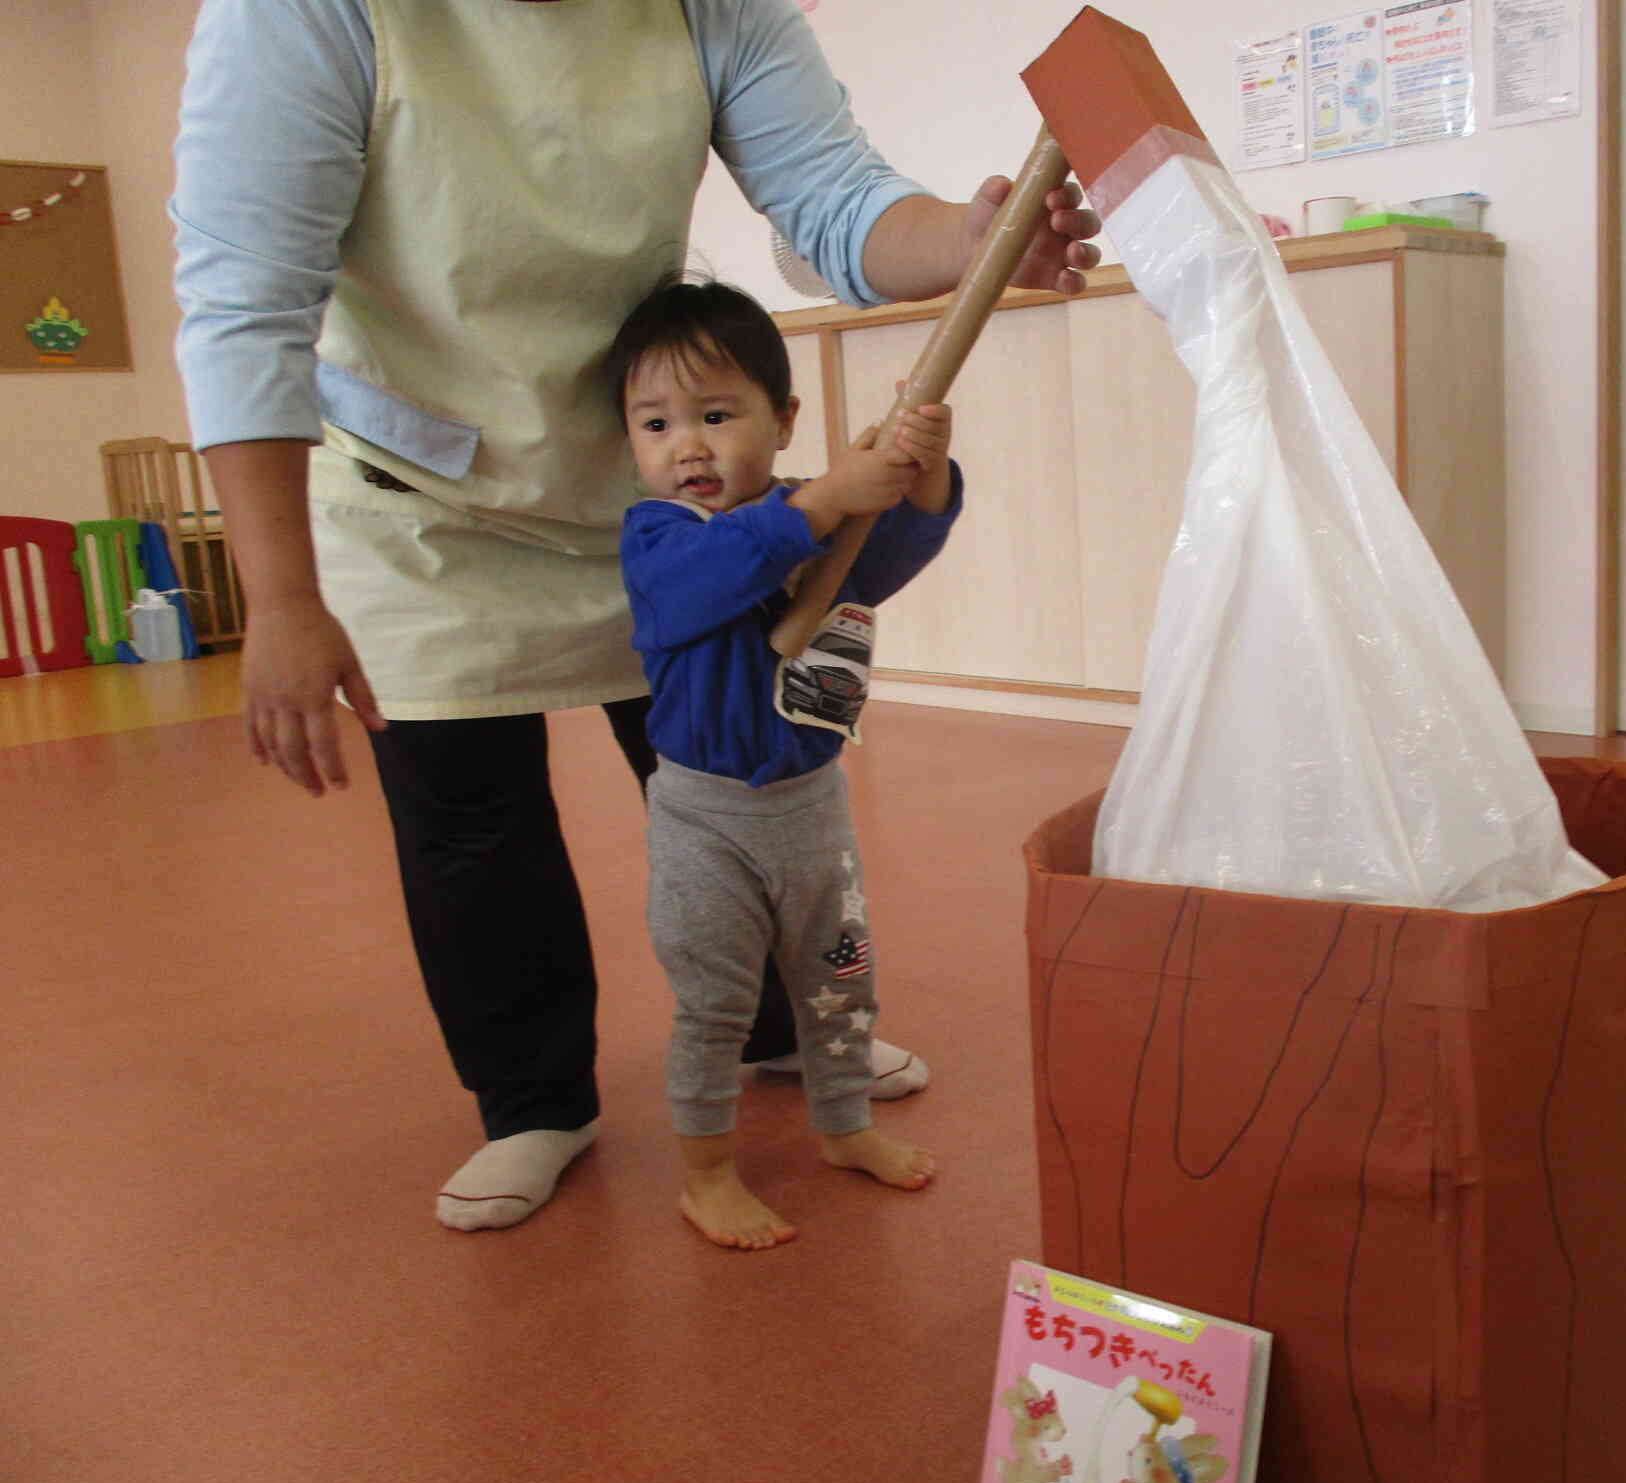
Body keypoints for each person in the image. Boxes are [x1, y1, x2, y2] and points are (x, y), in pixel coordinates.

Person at [170, 0, 1100, 1232]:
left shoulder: (714, 6)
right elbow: (246, 305)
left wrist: (972, 242)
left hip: (649, 467)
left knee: (726, 781)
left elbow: (831, 197)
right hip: (418, 491)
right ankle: (532, 1099)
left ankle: (790, 1034)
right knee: (468, 811)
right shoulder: (304, 12)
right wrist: (280, 595)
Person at [610, 277, 950, 1248]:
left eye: (716, 415)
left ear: (782, 417)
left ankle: (844, 1126)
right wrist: (819, 503)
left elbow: (887, 556)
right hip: (702, 818)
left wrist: (917, 475)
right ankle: (706, 1174)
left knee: (840, 979)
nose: (688, 446)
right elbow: (713, 579)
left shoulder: (811, 524)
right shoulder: (658, 537)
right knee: (715, 999)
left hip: (810, 809)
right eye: (656, 423)